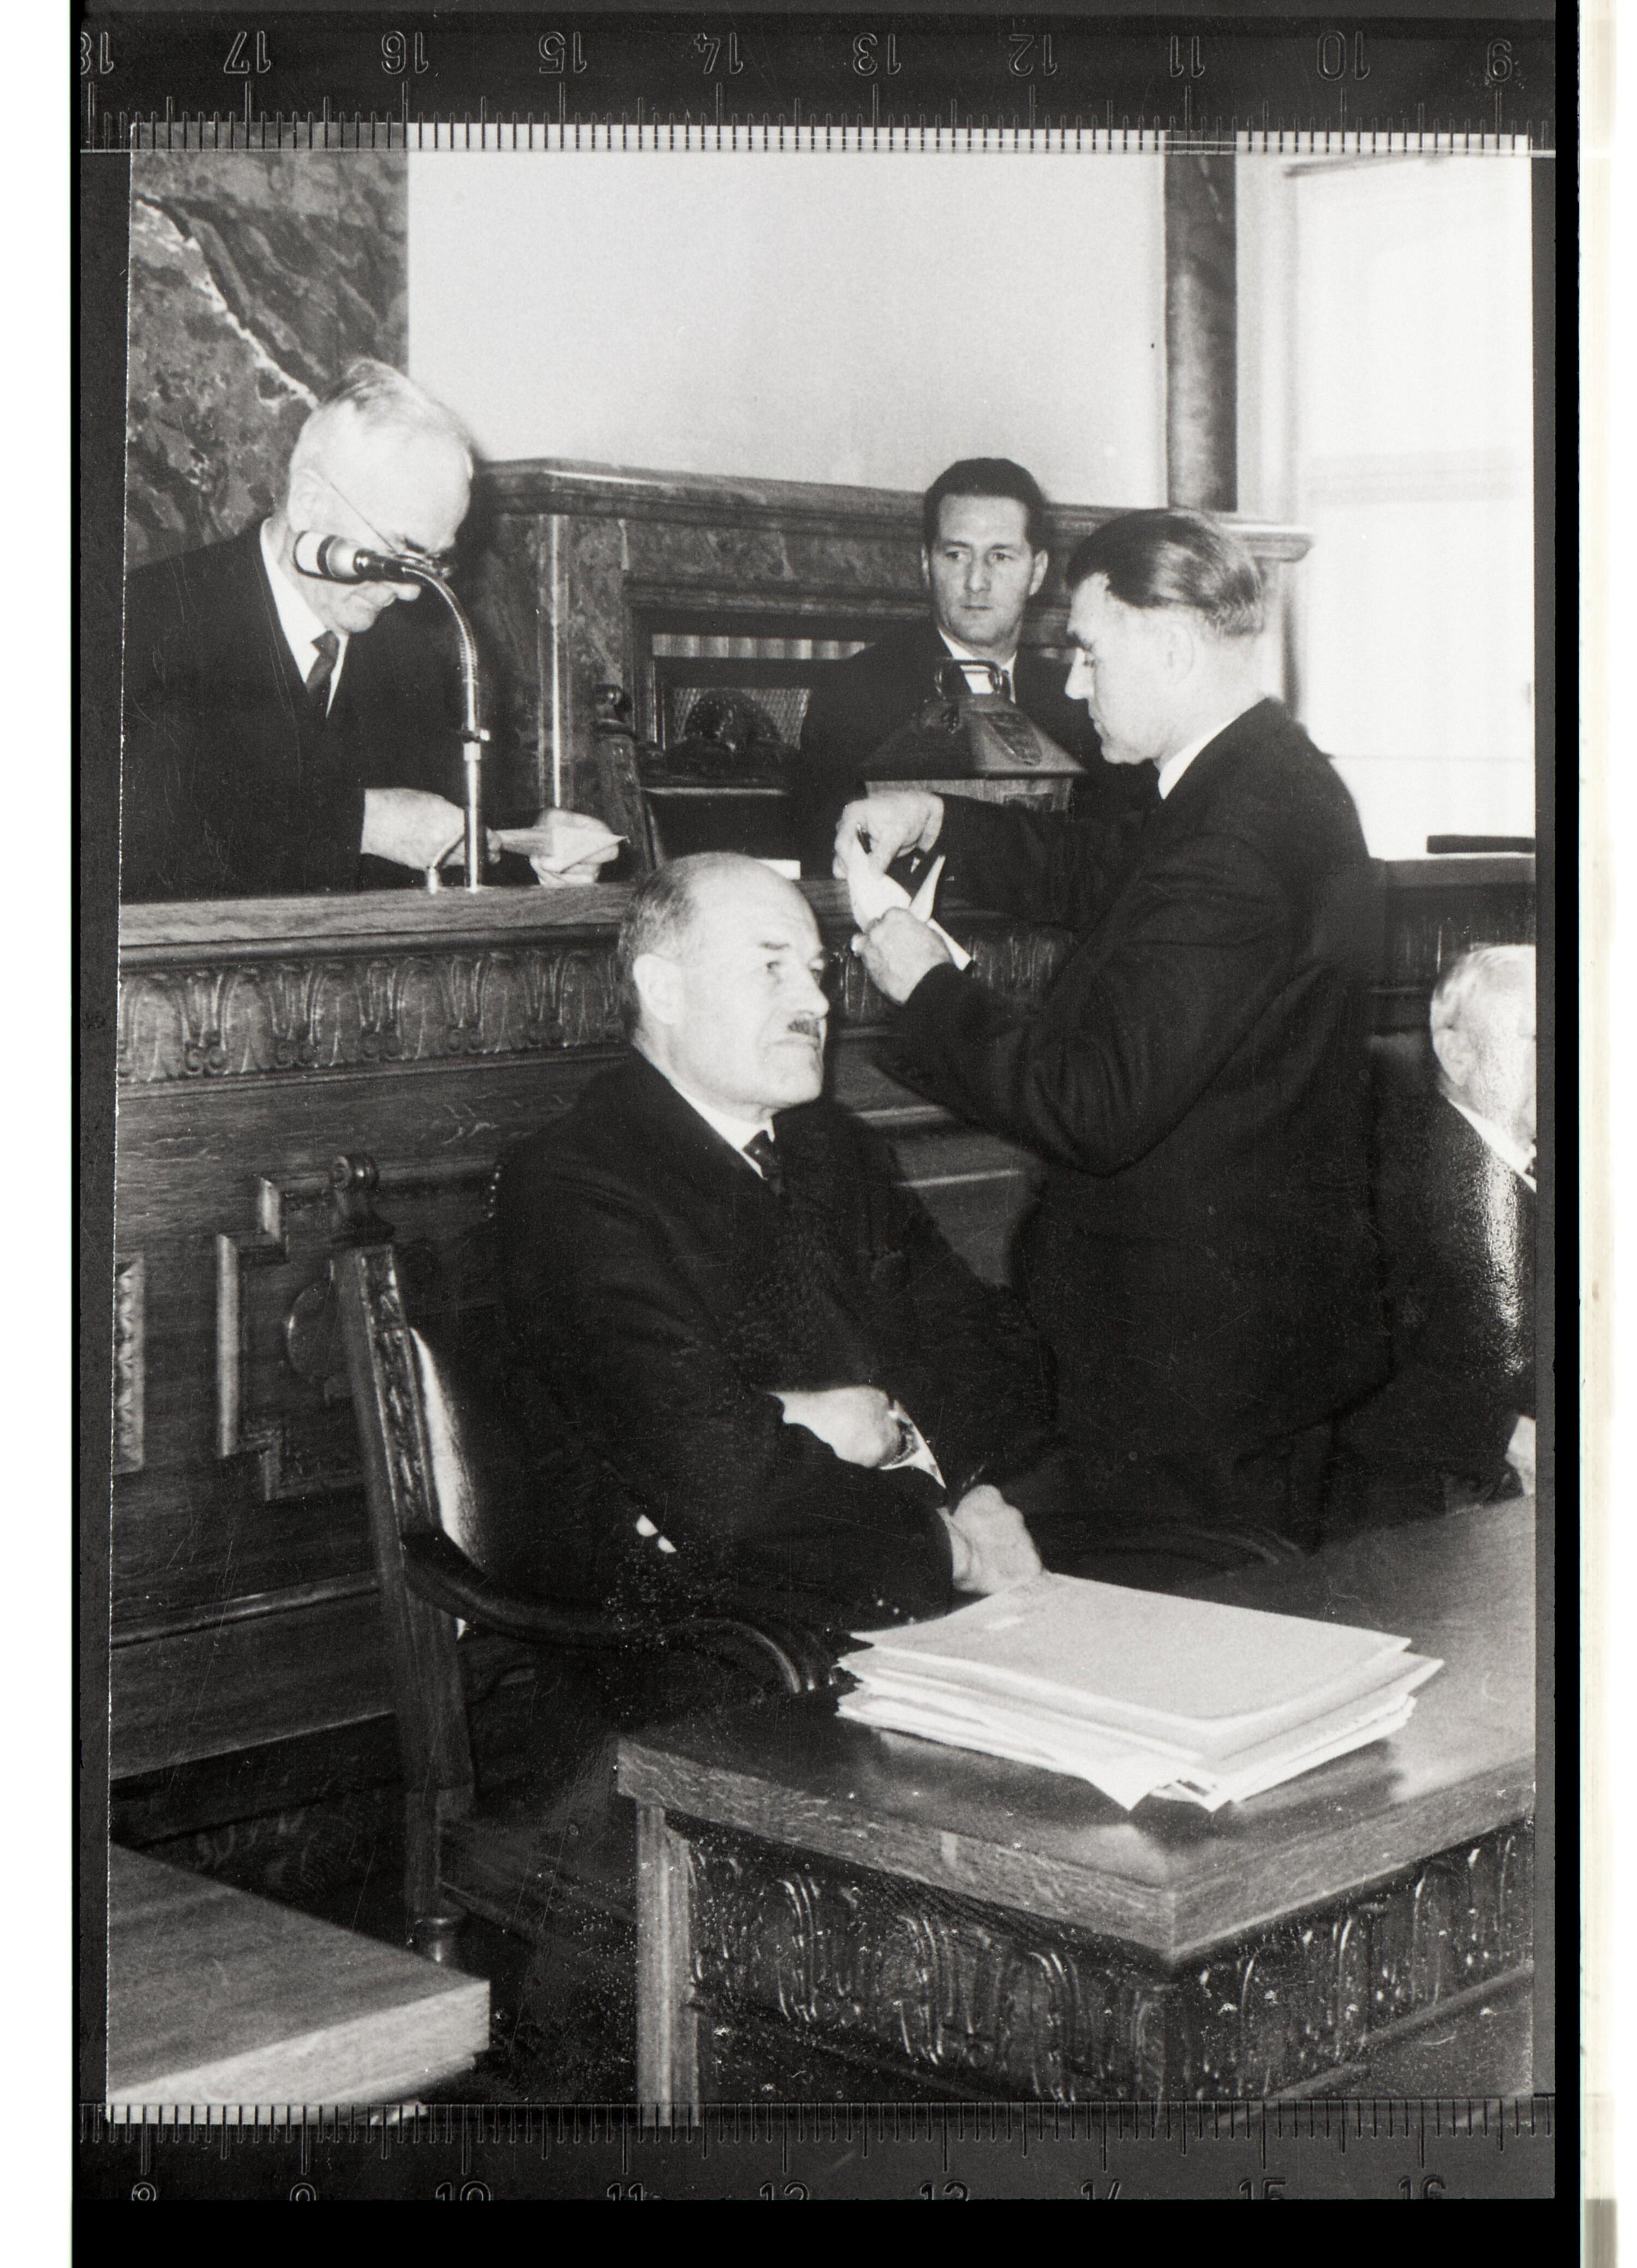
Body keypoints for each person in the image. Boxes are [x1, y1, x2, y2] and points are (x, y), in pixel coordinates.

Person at [838, 508, 1387, 1547]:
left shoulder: (1237, 832)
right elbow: (1108, 869)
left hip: (1197, 1374)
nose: (1076, 682)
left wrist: (928, 986)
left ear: (1170, 648)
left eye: (1090, 652)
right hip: (1231, 1344)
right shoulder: (1253, 777)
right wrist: (940, 817)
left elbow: (1091, 1104)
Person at [495, 854, 1053, 1634]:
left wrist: (889, 1440)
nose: (817, 1002)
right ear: (664, 990)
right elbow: (723, 1485)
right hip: (712, 1641)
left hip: (889, 1590)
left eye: (817, 971)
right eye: (771, 967)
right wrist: (952, 1550)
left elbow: (993, 1354)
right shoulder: (572, 1185)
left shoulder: (833, 1146)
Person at [121, 359, 619, 901]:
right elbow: (135, 838)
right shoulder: (150, 620)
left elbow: (429, 832)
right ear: (310, 502)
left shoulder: (412, 657)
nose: (410, 592)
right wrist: (360, 825)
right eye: (396, 554)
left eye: (431, 563)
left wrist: (537, 846)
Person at [790, 458, 1156, 875]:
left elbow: (1116, 859)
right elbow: (827, 865)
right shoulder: (857, 693)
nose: (976, 582)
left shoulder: (1081, 698)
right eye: (956, 555)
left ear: (1037, 572)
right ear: (926, 565)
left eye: (1000, 556)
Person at [1329, 944, 1537, 1522]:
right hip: (1453, 1507)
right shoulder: (1400, 1177)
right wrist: (1508, 1436)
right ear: (1458, 1053)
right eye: (1539, 1039)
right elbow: (1369, 1376)